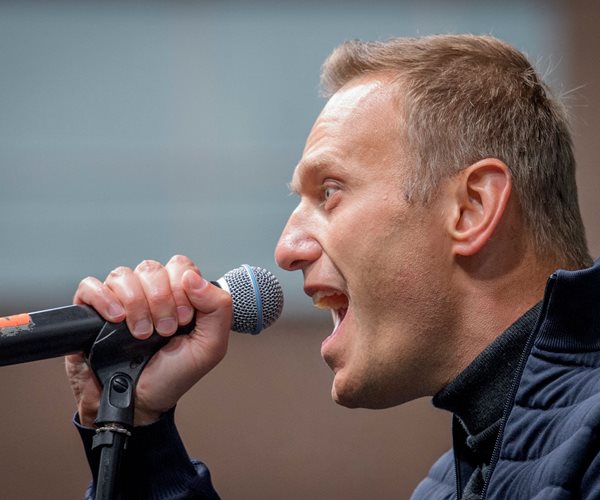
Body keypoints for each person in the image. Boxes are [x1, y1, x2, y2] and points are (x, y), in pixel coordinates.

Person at [66, 34, 600, 499]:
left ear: (472, 209)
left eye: (329, 191)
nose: (286, 249)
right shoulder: (446, 484)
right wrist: (141, 436)